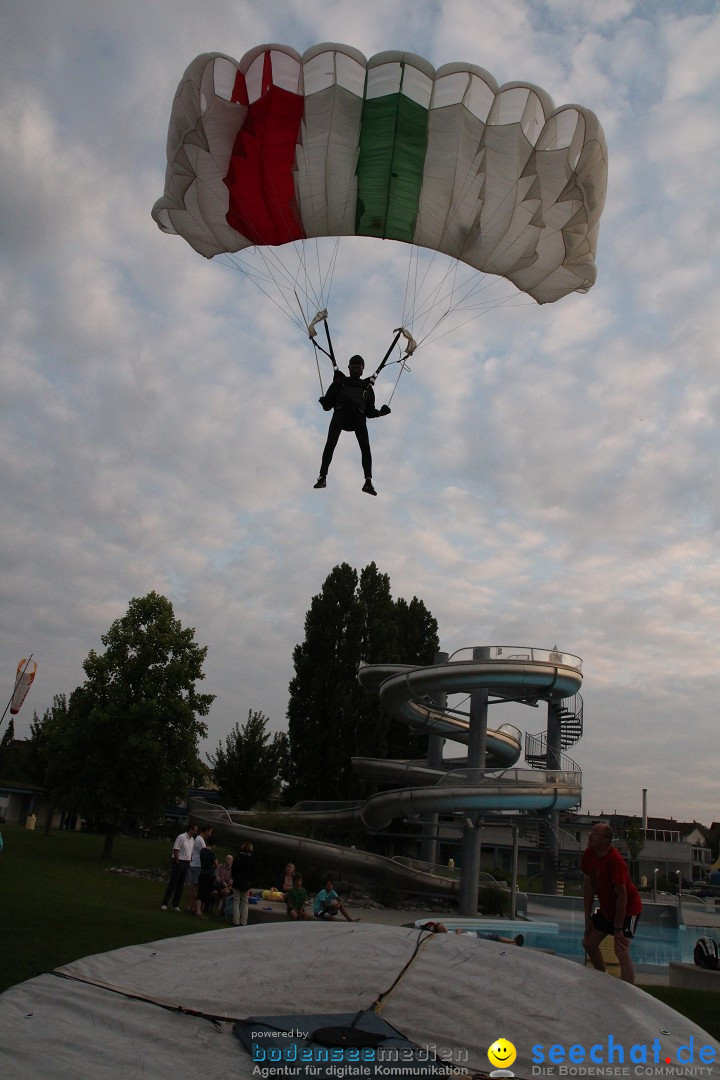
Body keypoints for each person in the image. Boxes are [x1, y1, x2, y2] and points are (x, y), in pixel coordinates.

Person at [313, 355, 391, 495]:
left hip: (358, 416)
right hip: (340, 414)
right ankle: (322, 477)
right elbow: (327, 406)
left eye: (358, 368)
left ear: (362, 371)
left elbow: (370, 411)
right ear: (348, 368)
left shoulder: (367, 388)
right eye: (353, 367)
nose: (356, 370)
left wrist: (381, 413)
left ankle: (368, 482)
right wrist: (324, 401)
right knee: (330, 443)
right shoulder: (340, 382)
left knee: (365, 447)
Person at [581, 821, 642, 984]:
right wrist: (588, 918)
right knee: (588, 943)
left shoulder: (615, 861)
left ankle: (629, 992)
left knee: (620, 949)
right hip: (608, 910)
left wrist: (618, 928)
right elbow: (588, 887)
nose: (590, 835)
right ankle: (604, 979)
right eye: (591, 831)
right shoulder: (589, 854)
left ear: (605, 840)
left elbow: (622, 896)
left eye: (595, 832)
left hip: (628, 909)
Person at [160, 822, 197, 910]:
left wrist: (190, 860)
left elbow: (191, 851)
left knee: (180, 884)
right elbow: (176, 849)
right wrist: (177, 862)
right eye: (195, 830)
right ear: (190, 829)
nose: (196, 832)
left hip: (186, 863)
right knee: (173, 883)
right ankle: (165, 903)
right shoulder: (181, 837)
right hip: (179, 862)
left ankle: (175, 904)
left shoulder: (192, 840)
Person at [186, 826, 213, 913]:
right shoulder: (201, 840)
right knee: (195, 888)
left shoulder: (197, 839)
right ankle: (191, 908)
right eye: (210, 832)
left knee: (193, 887)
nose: (210, 834)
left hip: (194, 864)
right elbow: (205, 853)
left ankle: (190, 907)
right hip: (197, 866)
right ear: (207, 831)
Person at [421, 921, 522, 945]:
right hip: (475, 938)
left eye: (443, 925)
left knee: (493, 937)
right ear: (440, 931)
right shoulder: (447, 937)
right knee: (494, 937)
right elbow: (458, 940)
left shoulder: (448, 933)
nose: (444, 927)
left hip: (474, 935)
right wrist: (457, 932)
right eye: (441, 927)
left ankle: (513, 942)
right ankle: (514, 941)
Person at [231, 841, 255, 927]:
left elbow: (233, 870)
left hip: (237, 882)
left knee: (236, 901)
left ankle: (235, 921)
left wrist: (234, 878)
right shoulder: (252, 860)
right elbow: (253, 873)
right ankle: (244, 922)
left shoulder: (238, 858)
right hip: (246, 883)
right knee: (245, 902)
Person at [195, 837, 218, 918]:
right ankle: (201, 910)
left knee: (200, 891)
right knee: (206, 893)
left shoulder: (202, 851)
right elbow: (216, 864)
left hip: (202, 873)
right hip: (210, 874)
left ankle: (197, 911)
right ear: (213, 845)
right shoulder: (211, 854)